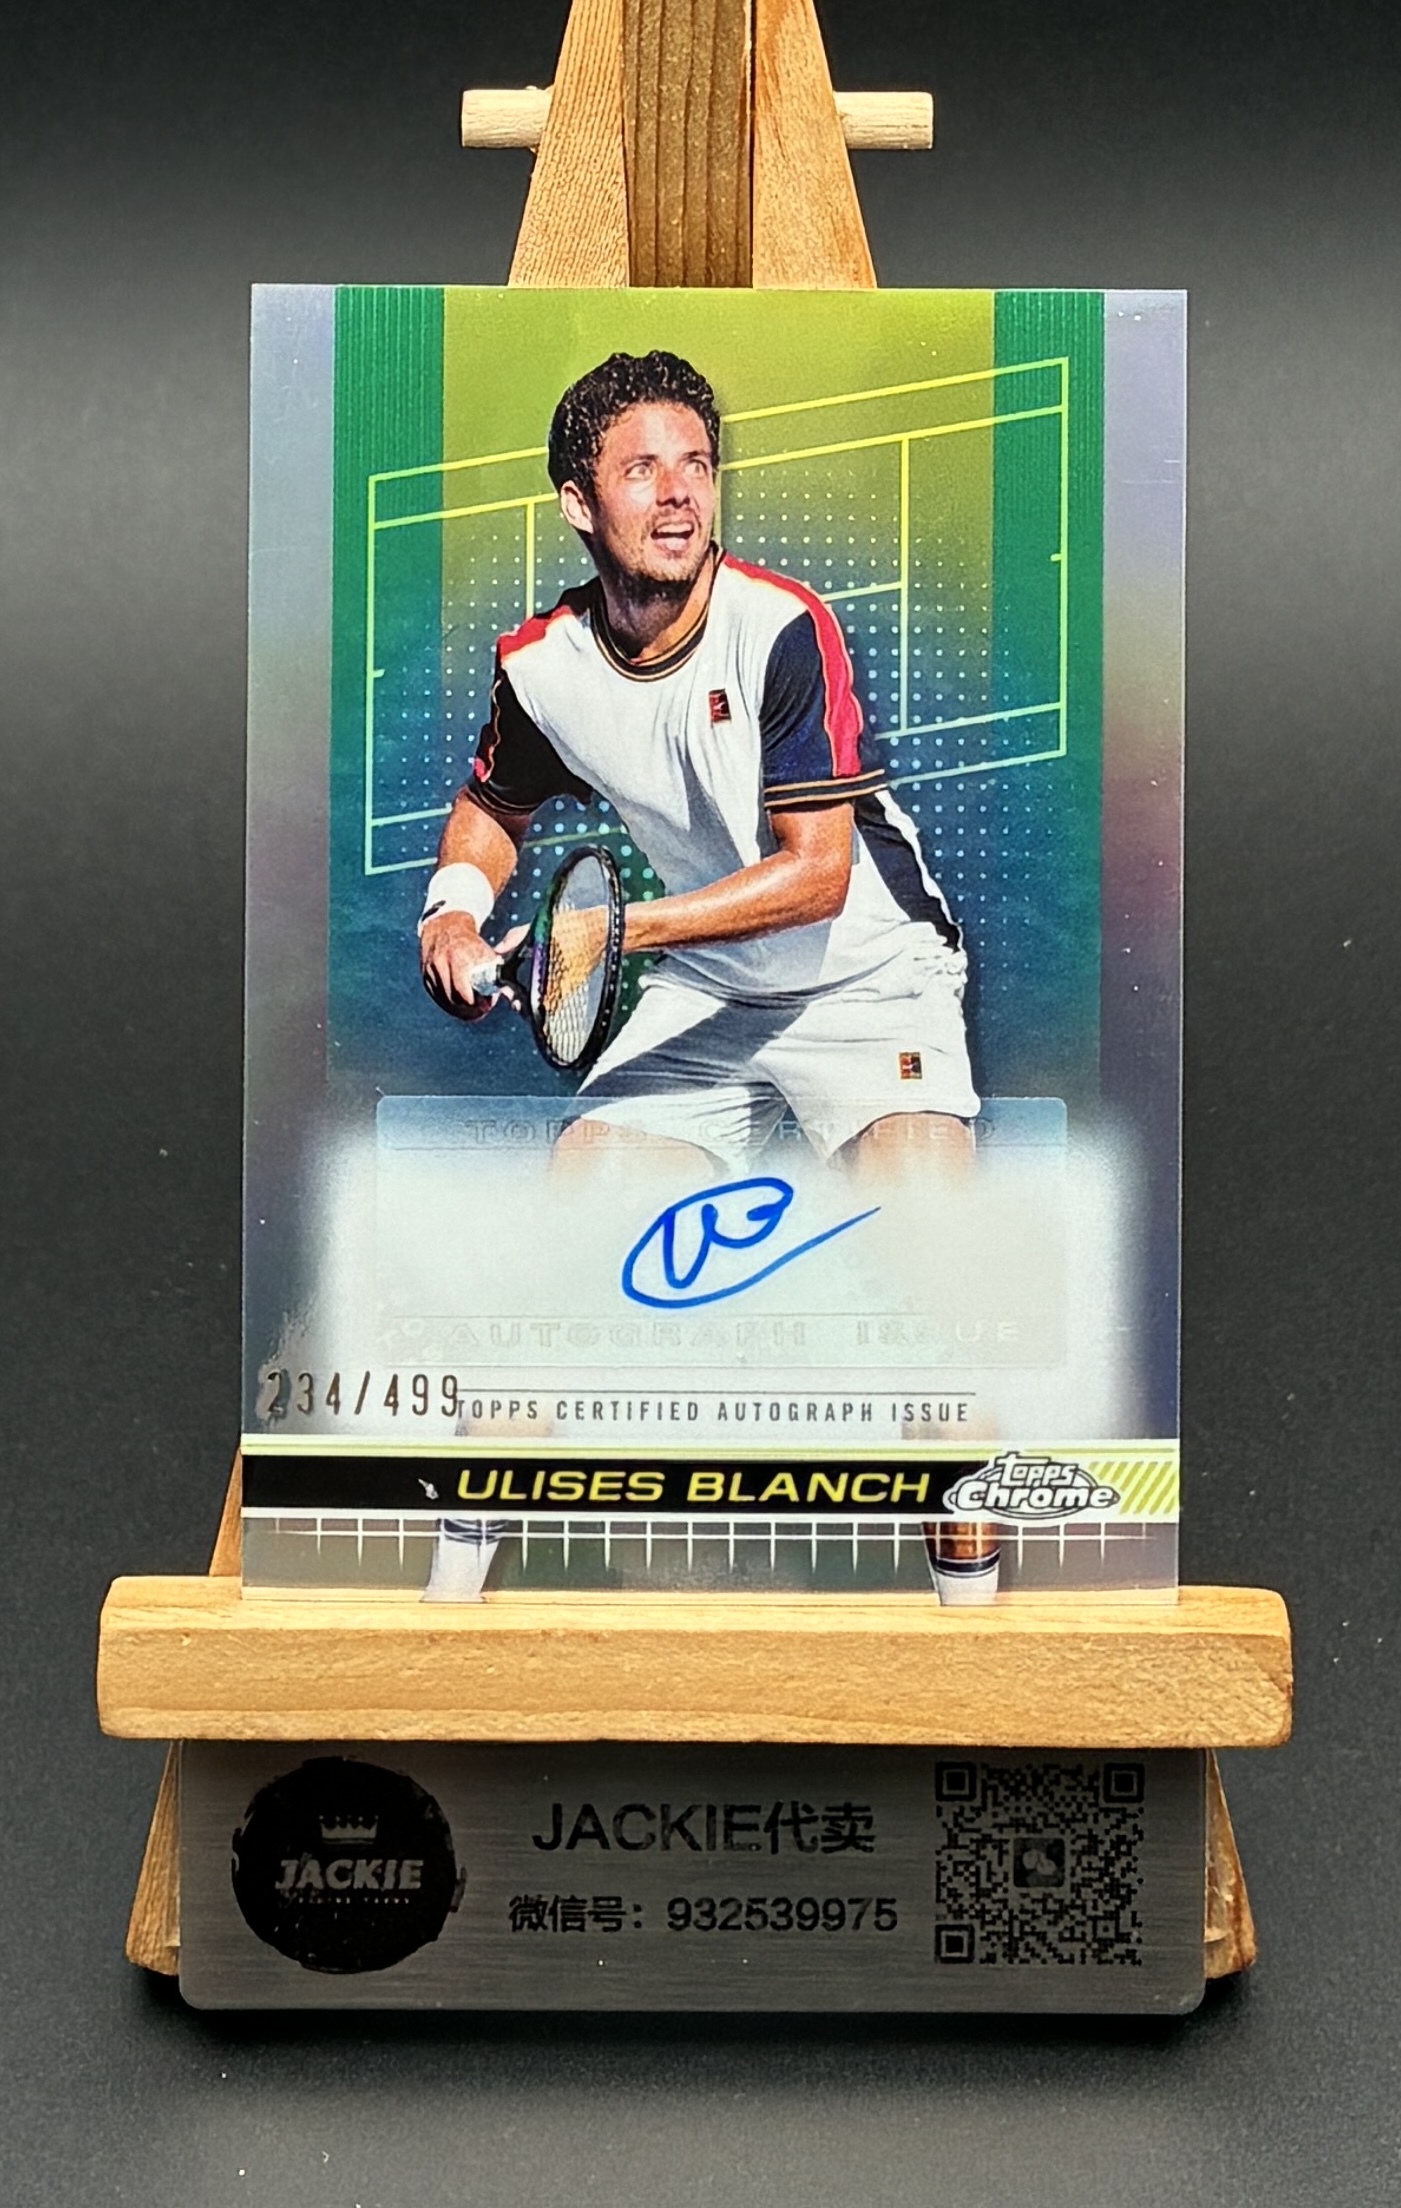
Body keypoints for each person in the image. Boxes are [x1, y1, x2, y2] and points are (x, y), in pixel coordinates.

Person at [414, 350, 995, 1604]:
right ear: (579, 503)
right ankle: (445, 1619)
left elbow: (816, 877)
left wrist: (618, 934)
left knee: (942, 1303)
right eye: (642, 469)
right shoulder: (542, 664)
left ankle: (979, 1639)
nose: (679, 493)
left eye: (698, 465)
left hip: (868, 978)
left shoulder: (781, 628)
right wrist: (454, 910)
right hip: (710, 988)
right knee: (557, 1278)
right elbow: (492, 807)